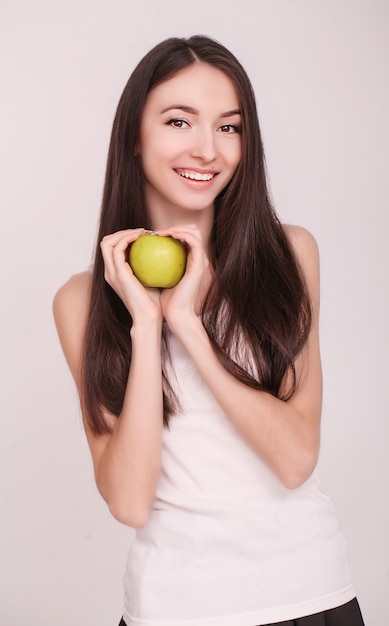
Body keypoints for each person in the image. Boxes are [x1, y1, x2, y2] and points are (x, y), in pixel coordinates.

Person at [53, 35, 365, 626]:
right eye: (179, 121)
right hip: (173, 607)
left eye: (229, 127)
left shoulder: (289, 255)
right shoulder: (84, 300)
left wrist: (189, 326)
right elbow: (128, 499)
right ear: (134, 138)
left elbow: (296, 458)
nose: (208, 149)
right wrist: (146, 325)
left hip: (309, 595)